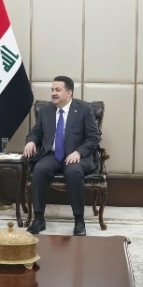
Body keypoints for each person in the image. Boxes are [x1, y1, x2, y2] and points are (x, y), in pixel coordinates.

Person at [23, 76, 100, 236]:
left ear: (69, 93)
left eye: (58, 90)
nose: (53, 93)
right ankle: (38, 219)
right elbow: (36, 133)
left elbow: (94, 137)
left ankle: (79, 221)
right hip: (52, 155)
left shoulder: (84, 110)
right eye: (52, 90)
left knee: (73, 172)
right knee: (40, 169)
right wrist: (31, 141)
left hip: (76, 155)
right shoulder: (46, 111)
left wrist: (79, 152)